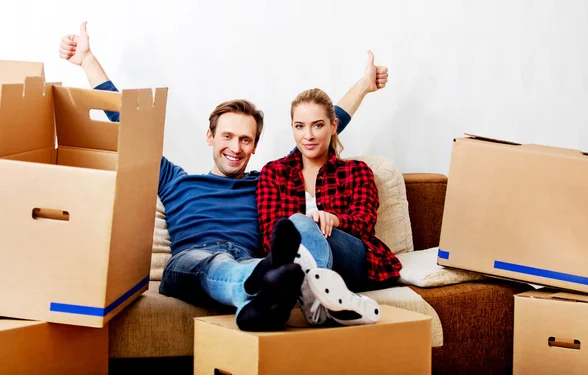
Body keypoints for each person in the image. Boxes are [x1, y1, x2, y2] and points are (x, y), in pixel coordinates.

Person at [58, 22, 389, 331]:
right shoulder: (175, 180)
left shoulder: (266, 182)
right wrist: (88, 60)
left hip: (249, 259)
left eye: (245, 140)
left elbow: (317, 134)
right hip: (192, 261)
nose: (235, 147)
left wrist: (362, 88)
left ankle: (259, 304)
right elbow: (126, 128)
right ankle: (267, 281)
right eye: (227, 136)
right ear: (210, 137)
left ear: (255, 146)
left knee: (264, 256)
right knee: (214, 263)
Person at [257, 88, 401, 325]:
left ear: (334, 126)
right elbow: (270, 238)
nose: (308, 135)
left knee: (300, 222)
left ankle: (312, 294)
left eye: (318, 125)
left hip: (349, 256)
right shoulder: (274, 173)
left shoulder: (356, 171)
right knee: (297, 224)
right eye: (300, 126)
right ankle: (325, 298)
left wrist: (335, 220)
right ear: (292, 128)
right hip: (294, 259)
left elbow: (365, 223)